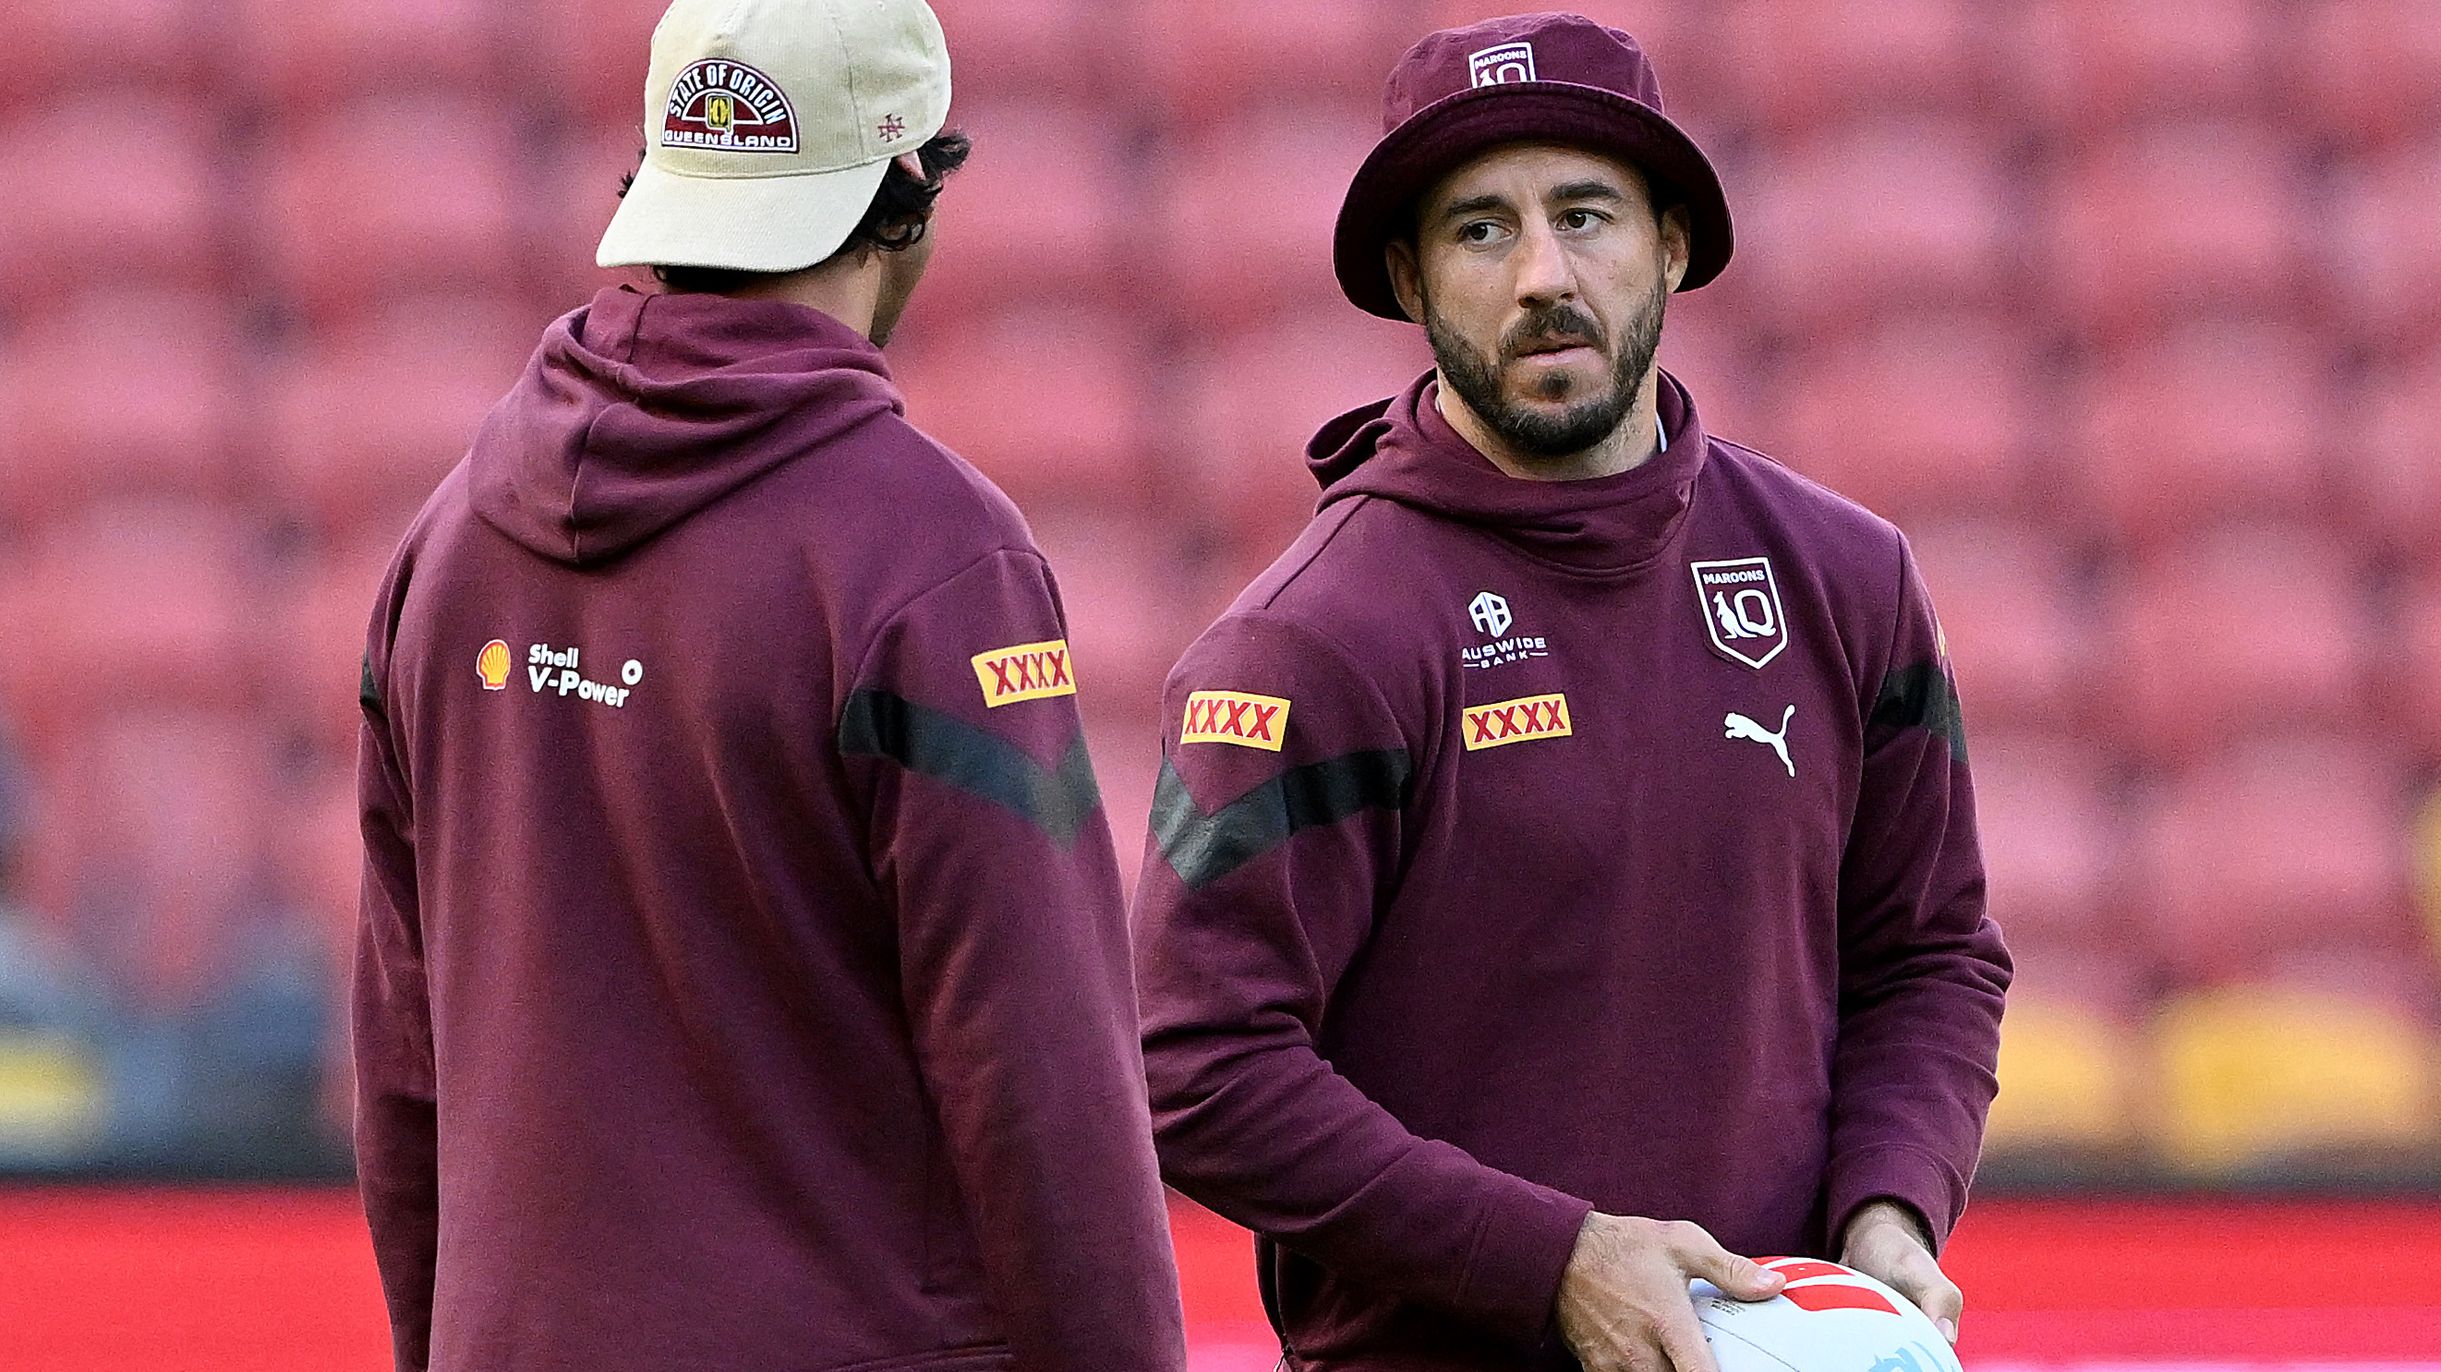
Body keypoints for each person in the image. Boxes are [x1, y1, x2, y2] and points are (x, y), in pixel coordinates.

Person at [1130, 14, 2011, 1372]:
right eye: (1479, 231)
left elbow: (1929, 950)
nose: (1544, 275)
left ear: (1669, 243)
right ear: (1409, 279)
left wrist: (1891, 1210)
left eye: (1585, 214)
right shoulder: (1312, 640)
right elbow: (1197, 1070)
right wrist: (1558, 1264)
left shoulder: (1845, 574)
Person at [351, 0, 1186, 1368]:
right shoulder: (934, 558)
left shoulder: (442, 547)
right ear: (910, 194)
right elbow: (1039, 1080)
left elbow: (403, 1065)